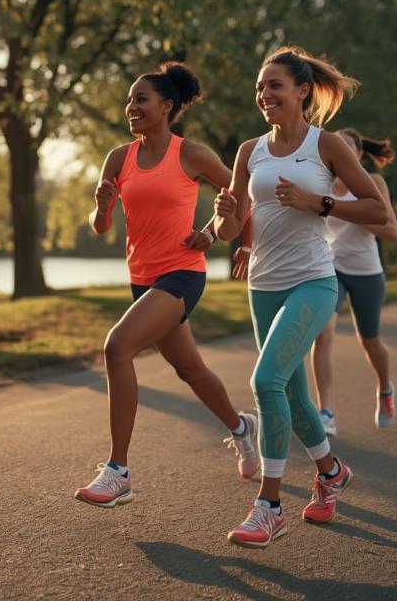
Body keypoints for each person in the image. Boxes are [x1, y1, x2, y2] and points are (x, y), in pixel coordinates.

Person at [213, 46, 388, 547]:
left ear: (302, 90)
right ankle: (331, 472)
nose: (264, 95)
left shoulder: (327, 145)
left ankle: (269, 507)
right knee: (290, 392)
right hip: (262, 283)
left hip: (314, 279)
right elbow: (230, 230)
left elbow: (377, 211)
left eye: (275, 86)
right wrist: (227, 213)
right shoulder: (250, 151)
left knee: (265, 381)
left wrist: (320, 202)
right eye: (260, 88)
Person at [74, 62, 259, 509]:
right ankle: (241, 427)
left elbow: (240, 196)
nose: (131, 106)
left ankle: (118, 472)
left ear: (167, 107)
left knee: (117, 347)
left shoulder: (190, 154)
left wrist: (223, 236)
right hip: (142, 277)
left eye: (141, 99)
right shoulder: (119, 157)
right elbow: (100, 226)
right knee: (189, 368)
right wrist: (100, 209)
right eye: (130, 99)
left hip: (183, 271)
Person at [310, 129, 397, 436]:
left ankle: (385, 389)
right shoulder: (323, 184)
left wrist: (347, 211)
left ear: (358, 155)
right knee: (323, 334)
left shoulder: (373, 183)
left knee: (369, 341)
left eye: (347, 148)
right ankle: (326, 412)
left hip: (367, 272)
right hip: (331, 269)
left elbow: (391, 231)